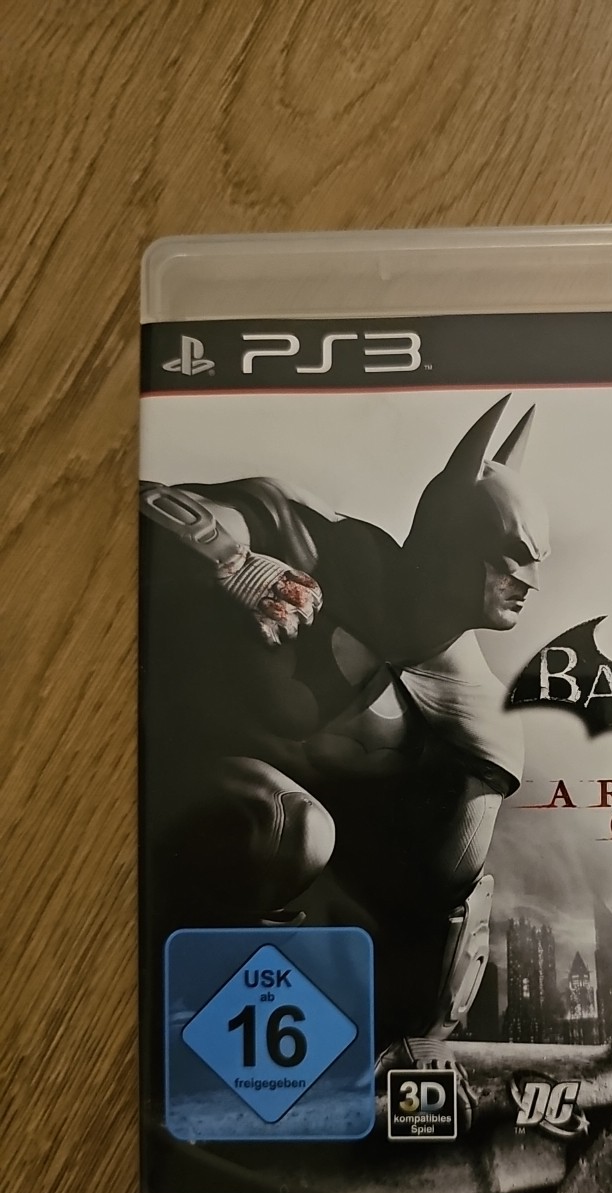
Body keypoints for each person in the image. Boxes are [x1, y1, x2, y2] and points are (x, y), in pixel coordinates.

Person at [140, 395, 548, 1046]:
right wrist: (231, 560)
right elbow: (145, 506)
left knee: (291, 832)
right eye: (511, 555)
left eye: (535, 562)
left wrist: (398, 1050)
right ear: (453, 537)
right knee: (283, 827)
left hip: (259, 898)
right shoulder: (313, 540)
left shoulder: (478, 721)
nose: (528, 581)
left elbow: (439, 921)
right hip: (140, 770)